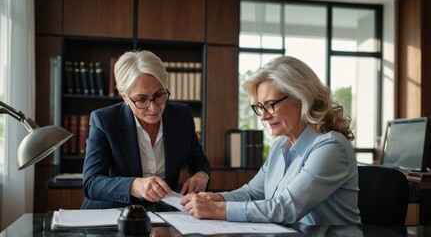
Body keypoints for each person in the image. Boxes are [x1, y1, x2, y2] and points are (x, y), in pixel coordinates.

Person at [181, 55, 361, 225]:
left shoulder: (331, 146)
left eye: (271, 105)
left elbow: (286, 207)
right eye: (260, 107)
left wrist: (216, 210)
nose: (264, 116)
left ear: (301, 98)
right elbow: (252, 193)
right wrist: (217, 199)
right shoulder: (280, 147)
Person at [81, 50, 211, 209]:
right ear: (124, 96)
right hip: (111, 215)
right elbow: (92, 183)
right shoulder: (105, 121)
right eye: (142, 99)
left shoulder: (182, 116)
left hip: (164, 216)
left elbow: (198, 162)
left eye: (159, 95)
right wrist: (135, 186)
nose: (154, 107)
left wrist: (201, 175)